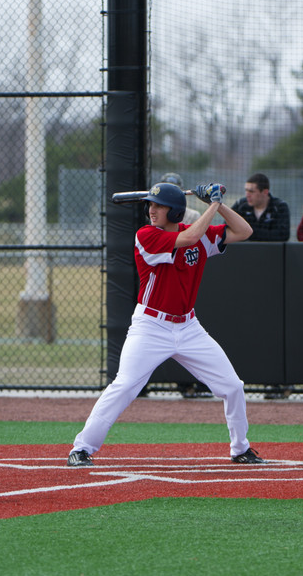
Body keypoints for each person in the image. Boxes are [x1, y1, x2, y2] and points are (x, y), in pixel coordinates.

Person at [67, 181, 264, 466]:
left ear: (176, 212)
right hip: (151, 326)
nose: (152, 210)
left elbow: (244, 231)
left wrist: (219, 204)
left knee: (232, 386)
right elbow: (188, 239)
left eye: (159, 206)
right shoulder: (147, 236)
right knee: (124, 386)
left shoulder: (199, 234)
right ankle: (81, 448)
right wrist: (214, 204)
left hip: (188, 327)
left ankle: (241, 448)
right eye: (151, 204)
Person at [230, 173, 291, 241]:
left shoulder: (279, 207)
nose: (247, 195)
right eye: (246, 190)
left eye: (251, 191)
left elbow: (283, 235)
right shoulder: (240, 206)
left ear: (265, 192)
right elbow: (228, 228)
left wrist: (246, 232)